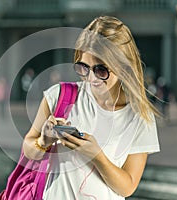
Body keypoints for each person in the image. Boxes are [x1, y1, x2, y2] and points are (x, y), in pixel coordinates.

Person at [22, 16, 160, 199]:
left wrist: (96, 156)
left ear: (123, 66)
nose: (91, 78)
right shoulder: (58, 95)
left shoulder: (140, 116)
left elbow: (128, 187)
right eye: (83, 68)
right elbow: (28, 150)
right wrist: (44, 141)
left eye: (101, 70)